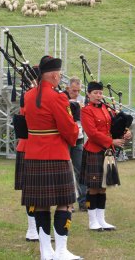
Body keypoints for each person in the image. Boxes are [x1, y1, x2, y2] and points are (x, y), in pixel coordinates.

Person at [21, 56, 82, 260]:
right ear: (54, 74)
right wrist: (75, 130)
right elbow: (68, 129)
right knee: (65, 203)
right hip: (56, 154)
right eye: (60, 74)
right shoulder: (58, 97)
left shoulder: (28, 96)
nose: (61, 77)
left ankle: (45, 251)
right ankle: (61, 251)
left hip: (34, 155)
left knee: (40, 204)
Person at [80, 81, 131, 231]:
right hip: (95, 150)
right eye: (95, 93)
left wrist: (126, 132)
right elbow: (92, 133)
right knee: (93, 188)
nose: (98, 95)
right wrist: (111, 141)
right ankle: (92, 221)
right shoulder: (86, 111)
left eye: (100, 93)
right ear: (88, 94)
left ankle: (101, 220)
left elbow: (116, 126)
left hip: (108, 152)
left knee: (103, 187)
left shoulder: (107, 108)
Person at [14, 66, 39, 242]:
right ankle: (32, 228)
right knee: (31, 191)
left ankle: (40, 227)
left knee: (42, 191)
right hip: (28, 147)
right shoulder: (28, 97)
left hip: (43, 148)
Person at [64, 77, 87, 212]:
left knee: (80, 170)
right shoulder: (61, 98)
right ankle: (67, 202)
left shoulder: (82, 100)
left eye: (78, 91)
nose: (76, 93)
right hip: (65, 139)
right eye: (73, 91)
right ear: (67, 88)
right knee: (66, 172)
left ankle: (83, 201)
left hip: (78, 138)